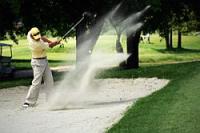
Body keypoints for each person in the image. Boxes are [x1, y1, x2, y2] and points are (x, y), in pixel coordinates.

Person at [23, 27, 60, 108]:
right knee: (36, 83)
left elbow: (42, 38)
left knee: (49, 81)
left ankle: (51, 101)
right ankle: (29, 102)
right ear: (32, 37)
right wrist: (56, 43)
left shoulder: (30, 34)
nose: (38, 39)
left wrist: (53, 42)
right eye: (36, 38)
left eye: (38, 36)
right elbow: (50, 46)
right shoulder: (37, 45)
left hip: (44, 61)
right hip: (37, 63)